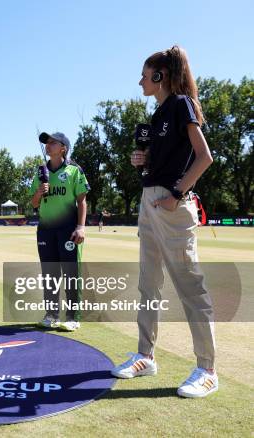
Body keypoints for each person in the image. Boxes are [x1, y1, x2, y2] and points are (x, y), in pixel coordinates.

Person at [111, 46, 217, 398]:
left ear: (161, 76)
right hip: (149, 201)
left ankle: (207, 370)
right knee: (148, 285)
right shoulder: (157, 116)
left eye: (145, 74)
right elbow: (158, 163)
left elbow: (204, 157)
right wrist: (141, 161)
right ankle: (146, 356)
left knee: (190, 289)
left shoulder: (181, 104)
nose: (140, 80)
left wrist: (177, 193)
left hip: (172, 206)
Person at [30, 132, 89, 332]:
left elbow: (82, 201)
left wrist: (81, 227)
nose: (48, 145)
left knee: (71, 273)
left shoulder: (74, 170)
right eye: (47, 143)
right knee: (50, 274)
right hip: (45, 230)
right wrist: (39, 192)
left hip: (68, 230)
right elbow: (33, 204)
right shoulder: (40, 172)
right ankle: (51, 315)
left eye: (52, 142)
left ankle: (73, 317)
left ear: (63, 148)